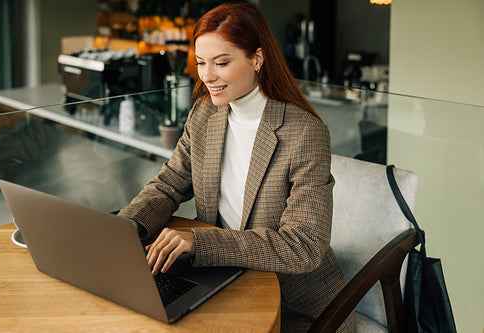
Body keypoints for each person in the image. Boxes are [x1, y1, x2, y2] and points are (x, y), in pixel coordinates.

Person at [118, 2, 356, 332]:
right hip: (225, 283)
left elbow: (304, 246)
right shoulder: (205, 113)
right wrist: (125, 228)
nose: (207, 76)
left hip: (296, 308)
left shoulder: (304, 133)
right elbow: (169, 183)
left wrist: (199, 243)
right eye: (201, 63)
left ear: (257, 59)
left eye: (222, 62)